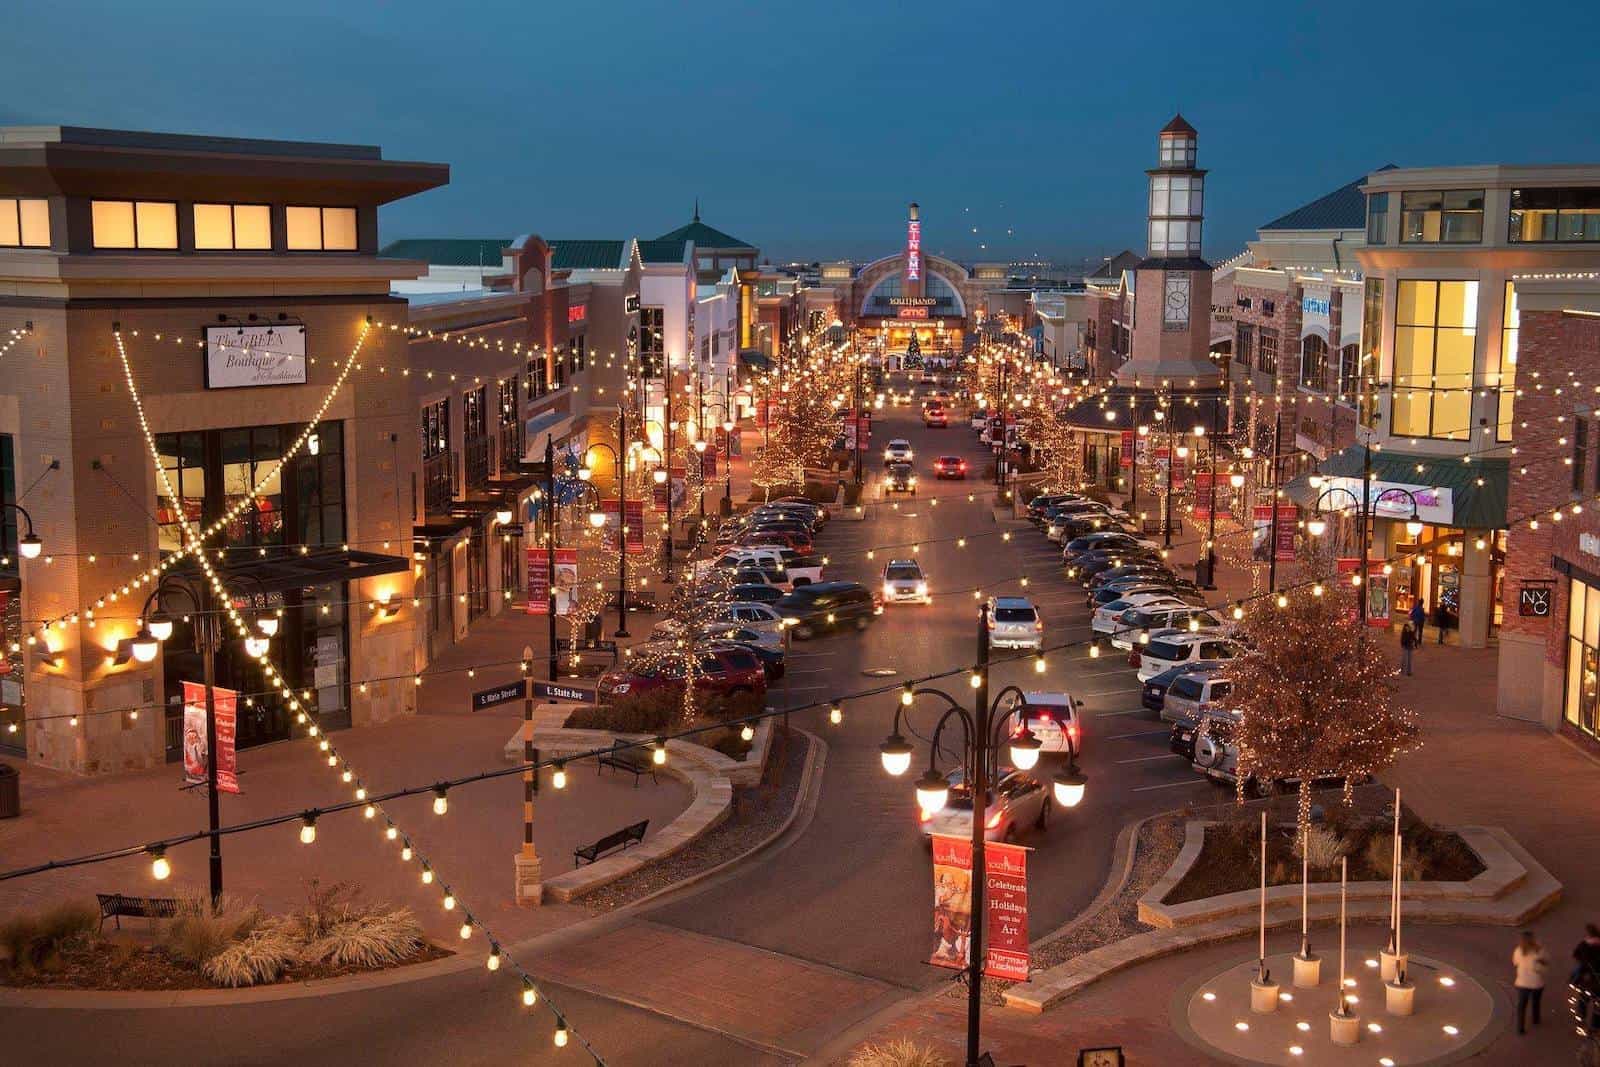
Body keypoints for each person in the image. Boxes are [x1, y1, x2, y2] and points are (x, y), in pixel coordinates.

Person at [1514, 930, 1548, 1034]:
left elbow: (1515, 963)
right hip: (1537, 982)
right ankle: (1535, 1019)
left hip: (1522, 982)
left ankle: (1520, 1027)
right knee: (1536, 1001)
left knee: (1522, 1006)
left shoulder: (1518, 951)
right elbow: (1546, 962)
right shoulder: (1539, 950)